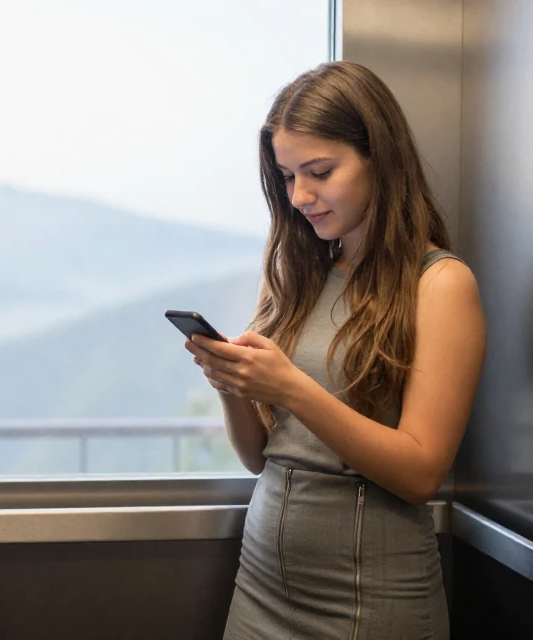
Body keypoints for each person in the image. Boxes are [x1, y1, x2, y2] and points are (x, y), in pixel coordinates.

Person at [184, 61, 486, 639]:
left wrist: (290, 387)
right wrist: (233, 385)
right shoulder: (296, 276)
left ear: (380, 159)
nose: (300, 196)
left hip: (369, 600)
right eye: (287, 176)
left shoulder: (440, 284)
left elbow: (421, 473)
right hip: (261, 586)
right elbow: (262, 457)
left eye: (320, 172)